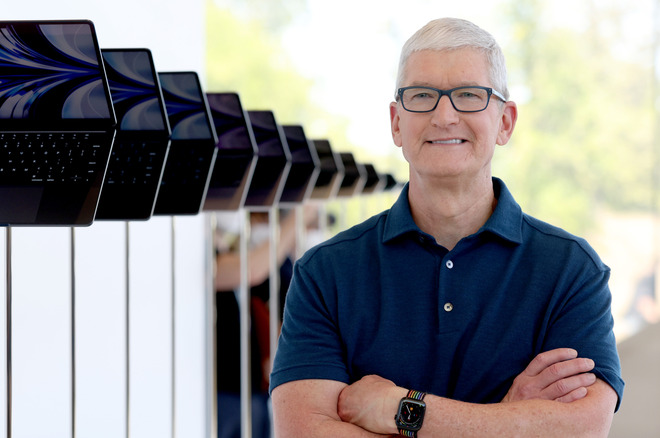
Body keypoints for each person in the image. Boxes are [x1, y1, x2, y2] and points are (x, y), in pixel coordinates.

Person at [269, 17, 624, 437]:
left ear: (505, 122)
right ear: (396, 122)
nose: (445, 115)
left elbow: (582, 430)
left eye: (469, 96)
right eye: (422, 96)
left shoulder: (571, 269)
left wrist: (401, 409)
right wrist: (508, 420)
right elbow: (303, 432)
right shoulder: (325, 273)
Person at [214, 206, 317, 438]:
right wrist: (295, 220)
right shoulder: (206, 260)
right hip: (226, 392)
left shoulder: (229, 250)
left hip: (252, 390)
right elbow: (250, 269)